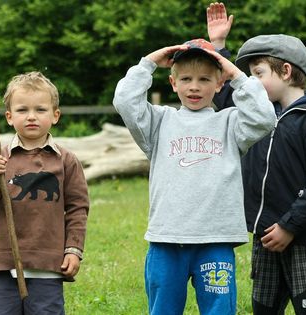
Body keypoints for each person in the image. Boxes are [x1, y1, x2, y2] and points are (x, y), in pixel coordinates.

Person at [112, 38, 276, 314]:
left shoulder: (232, 123)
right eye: (186, 79)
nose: (195, 87)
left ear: (219, 83)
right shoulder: (159, 122)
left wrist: (236, 75)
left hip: (216, 240)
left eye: (204, 79)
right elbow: (125, 101)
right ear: (173, 83)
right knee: (163, 308)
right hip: (167, 239)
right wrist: (149, 62)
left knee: (219, 310)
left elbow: (264, 117)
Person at [207, 3, 306, 314]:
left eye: (258, 74)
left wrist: (290, 226)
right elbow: (226, 95)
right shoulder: (257, 117)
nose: (250, 83)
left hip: (303, 238)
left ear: (287, 71)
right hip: (265, 235)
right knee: (263, 307)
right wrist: (218, 47)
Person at [0, 71, 89, 314]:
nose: (31, 117)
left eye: (40, 110)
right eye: (23, 110)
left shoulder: (65, 161)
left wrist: (73, 250)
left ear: (55, 115)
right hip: (5, 264)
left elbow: (78, 208)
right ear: (9, 117)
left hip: (48, 263)